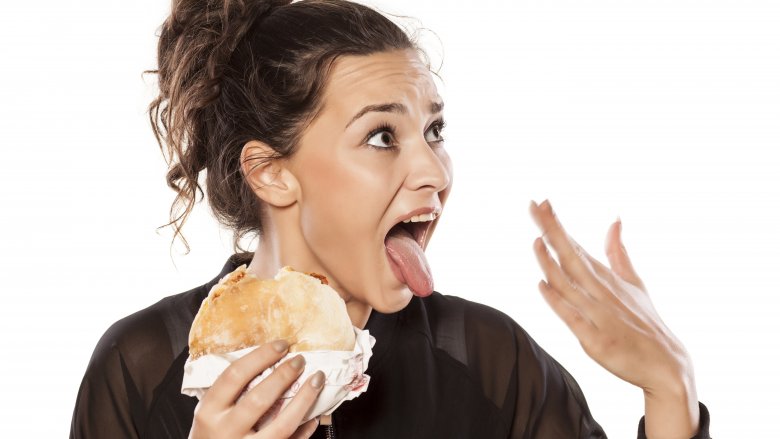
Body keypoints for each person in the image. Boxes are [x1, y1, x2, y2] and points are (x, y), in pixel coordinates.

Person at [69, 0, 712, 437]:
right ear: (270, 172)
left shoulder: (489, 360)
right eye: (382, 136)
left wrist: (669, 390)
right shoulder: (143, 366)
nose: (434, 170)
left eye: (434, 130)